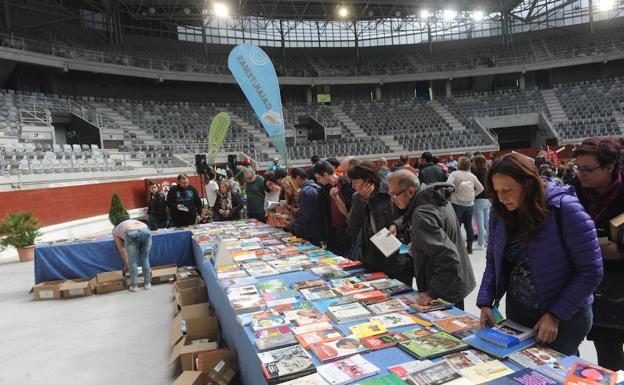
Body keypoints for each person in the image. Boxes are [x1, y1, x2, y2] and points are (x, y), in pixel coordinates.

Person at [477, 153, 603, 356]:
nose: (501, 198)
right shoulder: (499, 211)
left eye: (508, 190)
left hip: (565, 315)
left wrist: (555, 315)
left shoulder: (566, 209)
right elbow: (493, 260)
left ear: (528, 184)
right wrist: (486, 302)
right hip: (519, 310)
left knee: (557, 370)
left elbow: (590, 271)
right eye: (497, 191)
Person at [571, 137, 624, 370]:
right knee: (594, 351)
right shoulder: (574, 190)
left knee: (613, 354)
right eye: (578, 168)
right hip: (586, 284)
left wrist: (582, 247)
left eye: (588, 169)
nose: (581, 174)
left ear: (610, 166)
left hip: (618, 284)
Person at [388, 170, 475, 309]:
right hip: (453, 282)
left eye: (394, 194)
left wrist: (431, 293)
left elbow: (449, 258)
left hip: (444, 290)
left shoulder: (422, 214)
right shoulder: (436, 198)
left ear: (410, 191)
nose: (393, 199)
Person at [346, 162, 413, 286]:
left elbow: (408, 214)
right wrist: (362, 200)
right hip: (372, 255)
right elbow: (352, 224)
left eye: (355, 182)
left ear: (367, 180)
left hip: (397, 251)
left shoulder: (390, 191)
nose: (353, 186)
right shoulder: (357, 197)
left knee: (402, 291)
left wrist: (395, 224)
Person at [314, 160, 355, 257]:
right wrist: (322, 237)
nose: (318, 181)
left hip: (349, 230)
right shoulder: (323, 191)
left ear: (325, 174)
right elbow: (322, 214)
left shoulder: (347, 184)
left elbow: (351, 211)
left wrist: (336, 198)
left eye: (319, 178)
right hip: (333, 232)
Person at [447, 157, 484, 254]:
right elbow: (481, 188)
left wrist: (453, 192)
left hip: (456, 203)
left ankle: (457, 247)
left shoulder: (454, 174)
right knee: (468, 225)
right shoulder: (472, 175)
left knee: (456, 225)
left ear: (458, 164)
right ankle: (469, 248)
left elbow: (447, 185)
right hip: (469, 204)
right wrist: (473, 195)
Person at [112, 219, 152, 292]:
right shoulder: (126, 223)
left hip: (131, 233)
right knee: (145, 259)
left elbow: (121, 250)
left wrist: (126, 264)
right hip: (145, 230)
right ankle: (147, 284)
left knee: (132, 262)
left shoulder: (115, 232)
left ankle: (135, 286)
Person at [290, 167, 323, 245]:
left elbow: (306, 216)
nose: (293, 183)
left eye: (293, 180)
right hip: (318, 228)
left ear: (297, 178)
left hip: (311, 231)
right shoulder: (316, 186)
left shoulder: (305, 191)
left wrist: (292, 224)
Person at [472, 155, 491, 250]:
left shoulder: (476, 174)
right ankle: (488, 242)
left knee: (480, 223)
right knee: (487, 222)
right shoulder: (488, 172)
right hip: (488, 199)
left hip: (479, 199)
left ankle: (480, 244)